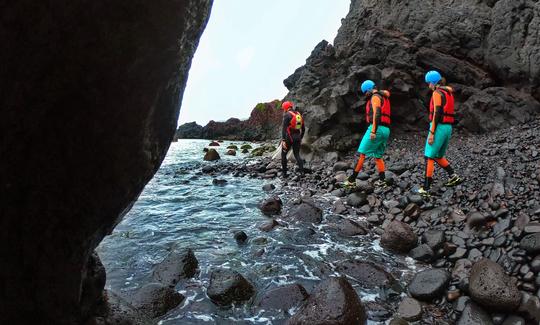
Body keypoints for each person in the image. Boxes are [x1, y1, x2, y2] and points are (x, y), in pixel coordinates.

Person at [418, 70, 463, 197]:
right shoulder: (448, 93)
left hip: (438, 127)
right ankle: (453, 176)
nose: (428, 86)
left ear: (433, 82)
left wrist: (432, 132)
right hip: (448, 127)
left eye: (429, 83)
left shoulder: (437, 93)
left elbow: (437, 113)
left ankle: (426, 188)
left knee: (429, 156)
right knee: (438, 156)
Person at [345, 80, 391, 187]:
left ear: (369, 89)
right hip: (386, 130)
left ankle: (352, 180)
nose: (365, 95)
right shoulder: (383, 96)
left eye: (365, 92)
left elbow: (377, 114)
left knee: (361, 153)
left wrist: (373, 131)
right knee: (378, 156)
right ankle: (383, 180)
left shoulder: (375, 97)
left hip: (377, 128)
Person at [281, 101, 305, 178]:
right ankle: (302, 173)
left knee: (283, 154)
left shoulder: (287, 115)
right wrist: (300, 137)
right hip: (297, 137)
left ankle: (284, 174)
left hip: (289, 138)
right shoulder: (298, 114)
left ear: (285, 108)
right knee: (297, 155)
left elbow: (284, 129)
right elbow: (303, 129)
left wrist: (283, 140)